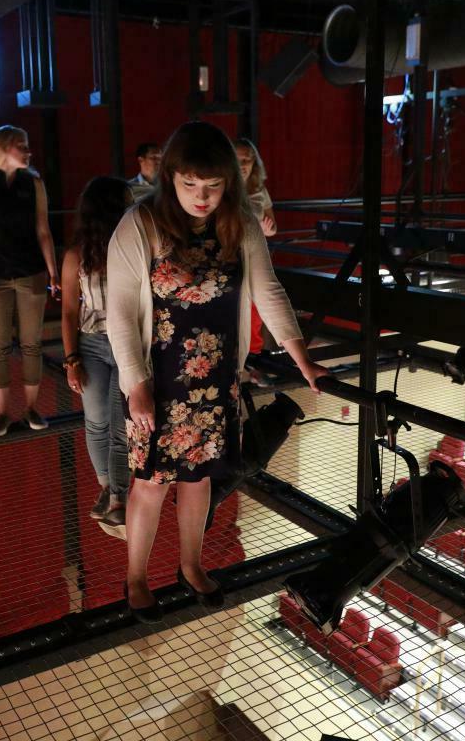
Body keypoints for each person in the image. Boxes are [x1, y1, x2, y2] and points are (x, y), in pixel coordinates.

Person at [107, 121, 330, 621]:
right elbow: (120, 311)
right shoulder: (139, 225)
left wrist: (302, 358)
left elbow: (268, 291)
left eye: (213, 186)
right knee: (150, 482)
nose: (202, 197)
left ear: (228, 181)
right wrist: (136, 385)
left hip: (214, 378)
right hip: (157, 378)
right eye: (190, 185)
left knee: (199, 478)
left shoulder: (240, 222)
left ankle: (190, 565)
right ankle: (137, 577)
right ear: (171, 179)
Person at [0, 125, 59, 437]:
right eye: (22, 145)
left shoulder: (33, 184)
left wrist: (53, 272)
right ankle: (3, 412)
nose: (28, 151)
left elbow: (43, 230)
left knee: (32, 344)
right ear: (3, 148)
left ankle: (32, 407)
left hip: (30, 270)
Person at [61, 177, 133, 534]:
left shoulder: (132, 247)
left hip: (128, 342)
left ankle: (119, 497)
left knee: (121, 423)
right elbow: (69, 313)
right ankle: (107, 487)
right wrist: (71, 359)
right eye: (126, 201)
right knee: (97, 418)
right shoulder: (77, 255)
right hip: (91, 343)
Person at [235, 138, 278, 359]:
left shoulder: (259, 189)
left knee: (256, 307)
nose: (243, 164)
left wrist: (264, 228)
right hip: (232, 252)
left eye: (248, 160)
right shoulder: (222, 187)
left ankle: (254, 358)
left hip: (256, 253)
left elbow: (272, 227)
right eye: (239, 158)